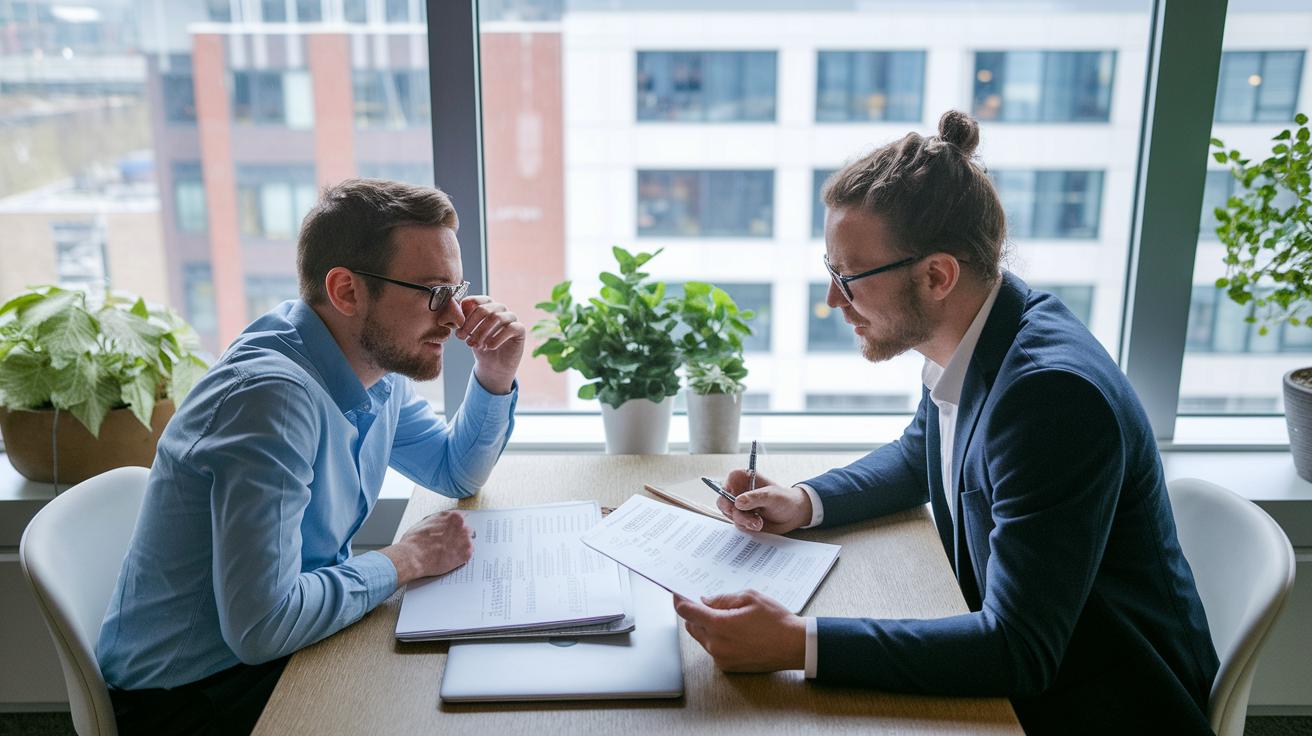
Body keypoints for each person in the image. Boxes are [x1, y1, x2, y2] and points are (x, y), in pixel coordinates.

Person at [673, 111, 1219, 734]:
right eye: (831, 271)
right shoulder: (981, 328)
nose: (832, 300)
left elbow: (1020, 650)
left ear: (937, 275)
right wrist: (804, 501)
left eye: (848, 278)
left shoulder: (1050, 399)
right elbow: (922, 454)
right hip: (1042, 669)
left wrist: (799, 644)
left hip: (1103, 705)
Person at [97, 178, 526, 735]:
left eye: (456, 290)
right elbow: (262, 628)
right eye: (432, 292)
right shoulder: (271, 400)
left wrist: (495, 373)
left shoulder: (368, 363)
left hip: (269, 649)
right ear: (346, 291)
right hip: (189, 698)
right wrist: (405, 559)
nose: (455, 317)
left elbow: (454, 471)